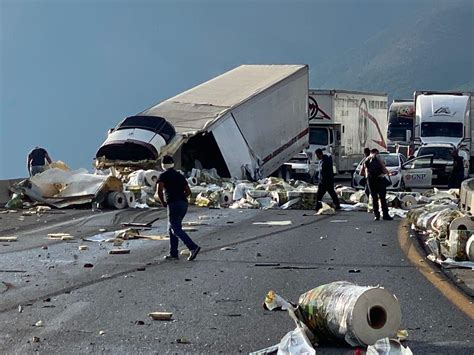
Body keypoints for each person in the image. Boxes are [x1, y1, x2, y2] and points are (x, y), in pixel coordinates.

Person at [154, 155, 201, 261]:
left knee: (175, 229)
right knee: (172, 228)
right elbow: (188, 191)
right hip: (183, 204)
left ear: (162, 165)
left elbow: (159, 191)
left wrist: (163, 202)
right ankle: (173, 253)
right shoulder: (179, 175)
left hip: (173, 204)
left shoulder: (163, 175)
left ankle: (193, 247)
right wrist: (181, 197)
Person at [361, 149, 393, 221]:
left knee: (374, 198)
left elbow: (361, 173)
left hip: (371, 181)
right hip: (380, 180)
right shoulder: (379, 159)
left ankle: (376, 215)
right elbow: (384, 170)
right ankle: (385, 215)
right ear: (377, 153)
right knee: (382, 198)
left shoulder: (366, 160)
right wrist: (386, 172)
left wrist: (369, 175)